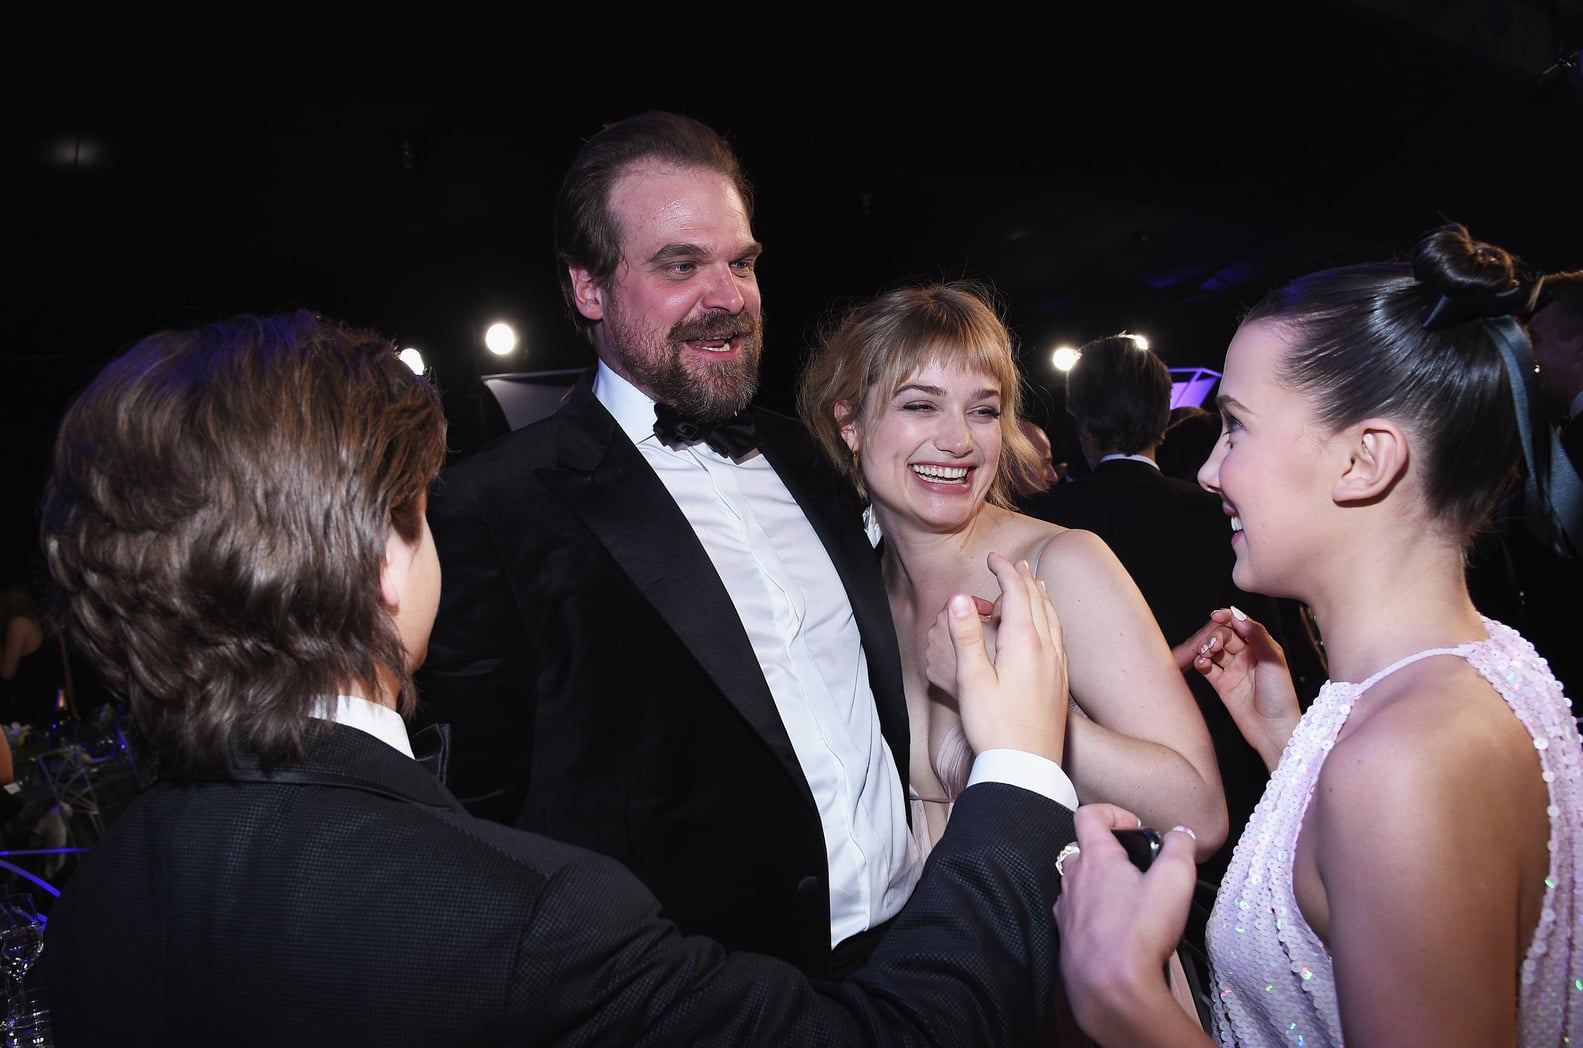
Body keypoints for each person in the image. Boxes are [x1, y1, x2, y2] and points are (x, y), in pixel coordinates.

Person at [40, 308, 1093, 1047]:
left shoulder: (105, 892)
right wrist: (1013, 774)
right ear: (381, 563)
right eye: (417, 503)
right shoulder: (527, 921)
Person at [413, 111, 920, 978]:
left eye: (742, 262)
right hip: (694, 1000)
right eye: (680, 265)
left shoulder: (807, 456)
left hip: (910, 953)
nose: (727, 296)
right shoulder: (490, 507)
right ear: (588, 290)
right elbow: (476, 824)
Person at [1053, 223, 1583, 1046]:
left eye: (1235, 426)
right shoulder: (1483, 668)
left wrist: (1125, 1001)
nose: (1207, 470)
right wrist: (1286, 742)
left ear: (1363, 461)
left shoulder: (1405, 759)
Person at [797, 282, 1228, 862]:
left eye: (983, 411)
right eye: (920, 404)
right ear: (849, 423)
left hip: (1058, 945)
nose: (958, 441)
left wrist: (1020, 710)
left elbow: (1198, 816)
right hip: (926, 943)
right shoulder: (854, 591)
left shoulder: (1059, 565)